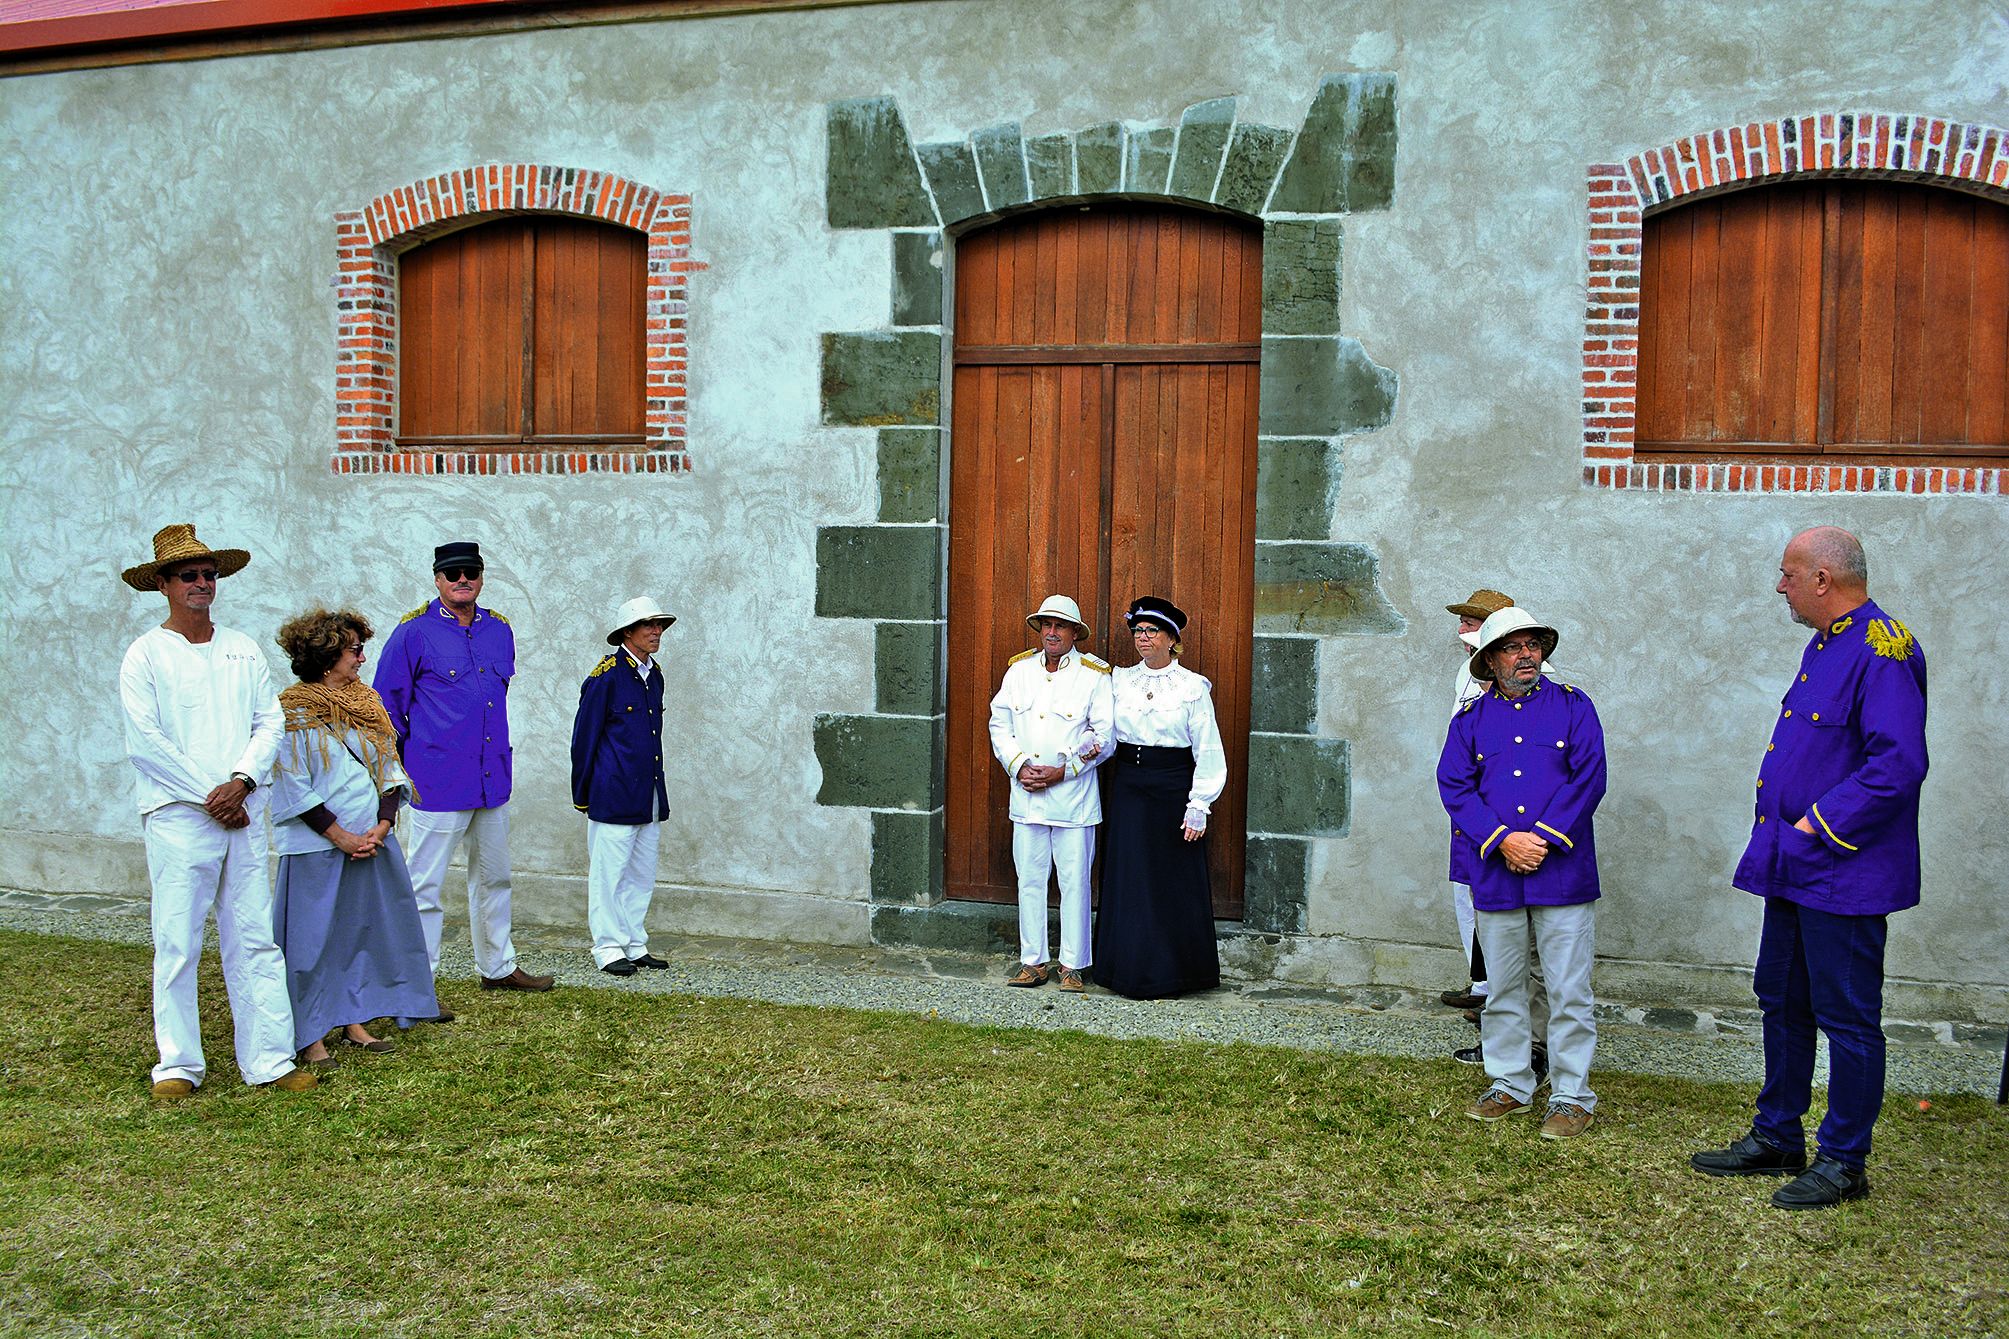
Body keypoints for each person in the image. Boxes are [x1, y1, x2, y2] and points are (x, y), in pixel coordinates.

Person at [1691, 526, 1928, 1209]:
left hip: (1843, 869)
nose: (1779, 584)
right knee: (1781, 998)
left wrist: (1815, 822)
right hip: (1795, 864)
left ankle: (1844, 1159)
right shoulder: (1826, 642)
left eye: (1787, 572)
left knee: (1847, 1017)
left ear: (1822, 578)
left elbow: (1897, 764)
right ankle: (1777, 1133)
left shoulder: (1884, 648)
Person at [118, 524, 314, 1098]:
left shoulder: (242, 647)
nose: (202, 583)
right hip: (180, 815)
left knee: (253, 935)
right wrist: (213, 793)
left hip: (244, 811)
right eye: (188, 575)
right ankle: (178, 1064)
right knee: (177, 939)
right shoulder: (145, 655)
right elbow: (145, 742)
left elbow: (269, 721)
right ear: (163, 584)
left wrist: (243, 780)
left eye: (208, 574)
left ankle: (270, 1060)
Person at [1437, 607, 1606, 1138]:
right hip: (1497, 872)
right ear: (1489, 661)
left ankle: (1572, 1095)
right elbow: (1454, 786)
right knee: (1504, 987)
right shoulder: (1469, 722)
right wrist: (1503, 839)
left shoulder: (1575, 708)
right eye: (1513, 647)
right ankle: (1510, 1083)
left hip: (1563, 871)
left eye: (1534, 645)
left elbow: (1590, 776)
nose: (1527, 654)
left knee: (1568, 989)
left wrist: (1541, 838)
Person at [374, 541, 552, 995]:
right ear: (437, 579)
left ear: (481, 576)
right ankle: (418, 980)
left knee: (495, 877)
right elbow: (385, 709)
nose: (461, 580)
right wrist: (393, 775)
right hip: (436, 778)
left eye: (470, 571)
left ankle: (497, 966)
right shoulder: (412, 633)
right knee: (424, 885)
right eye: (451, 573)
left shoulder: (499, 630)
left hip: (492, 778)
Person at [268, 608, 439, 1066]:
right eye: (355, 650)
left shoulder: (367, 703)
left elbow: (389, 766)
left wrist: (382, 825)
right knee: (311, 942)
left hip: (371, 841)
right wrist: (339, 835)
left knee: (357, 934)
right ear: (327, 656)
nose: (363, 659)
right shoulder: (291, 711)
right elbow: (290, 782)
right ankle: (310, 1033)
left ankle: (353, 1019)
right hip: (317, 846)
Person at [1093, 596, 1227, 999]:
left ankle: (1175, 972)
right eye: (1138, 631)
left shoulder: (1191, 688)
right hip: (1131, 786)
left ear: (1172, 639)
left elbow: (1208, 748)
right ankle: (1127, 970)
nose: (1143, 638)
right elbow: (1104, 734)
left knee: (1171, 880)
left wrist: (1199, 804)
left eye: (1152, 631)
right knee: (1131, 876)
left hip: (1173, 789)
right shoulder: (1118, 681)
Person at [987, 595, 1114, 991]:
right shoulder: (1019, 672)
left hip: (1072, 798)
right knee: (1030, 878)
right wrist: (1018, 764)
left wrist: (1066, 769)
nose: (1052, 633)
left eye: (1060, 626)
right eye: (1046, 625)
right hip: (1026, 794)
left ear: (1075, 632)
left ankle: (1074, 965)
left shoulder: (1094, 675)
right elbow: (999, 724)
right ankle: (1033, 961)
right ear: (1039, 629)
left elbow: (1104, 736)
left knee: (1074, 880)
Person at [572, 596, 677, 977]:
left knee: (641, 872)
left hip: (647, 793)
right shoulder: (606, 677)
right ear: (627, 632)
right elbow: (584, 740)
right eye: (648, 625)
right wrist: (583, 794)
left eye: (659, 625)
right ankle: (607, 947)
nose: (656, 632)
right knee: (609, 875)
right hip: (612, 792)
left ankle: (634, 941)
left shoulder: (655, 675)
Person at [1440, 588, 1515, 1013]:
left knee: (1495, 901)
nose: (1461, 630)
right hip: (1468, 804)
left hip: (1501, 810)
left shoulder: (1523, 679)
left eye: (1469, 622)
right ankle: (1482, 984)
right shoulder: (1464, 673)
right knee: (1466, 892)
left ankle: (1501, 997)